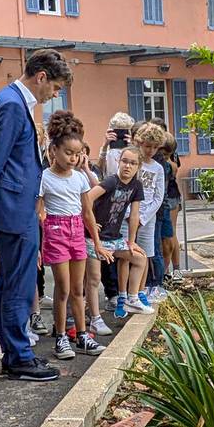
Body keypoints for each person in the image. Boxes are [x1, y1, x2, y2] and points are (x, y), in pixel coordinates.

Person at [0, 49, 72, 382]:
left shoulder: (11, 100)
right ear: (41, 76)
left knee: (15, 283)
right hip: (14, 208)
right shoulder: (13, 105)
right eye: (55, 87)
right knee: (18, 284)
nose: (55, 95)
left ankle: (16, 354)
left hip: (16, 204)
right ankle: (18, 357)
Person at [37, 111, 107, 360]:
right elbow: (38, 213)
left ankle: (82, 335)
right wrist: (37, 246)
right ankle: (60, 337)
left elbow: (88, 213)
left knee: (80, 289)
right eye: (68, 153)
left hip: (77, 231)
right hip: (55, 232)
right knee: (63, 289)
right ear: (54, 149)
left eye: (77, 154)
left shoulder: (79, 179)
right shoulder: (44, 178)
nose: (73, 158)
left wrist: (97, 244)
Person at [108, 121, 166, 318]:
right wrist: (125, 215)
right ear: (139, 142)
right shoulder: (131, 162)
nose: (150, 150)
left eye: (154, 147)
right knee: (125, 256)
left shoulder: (158, 168)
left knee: (145, 255)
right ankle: (123, 295)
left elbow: (158, 197)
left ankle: (139, 293)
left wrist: (143, 217)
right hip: (125, 218)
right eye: (147, 145)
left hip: (146, 219)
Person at [90, 147, 149, 317]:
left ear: (138, 167)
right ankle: (94, 317)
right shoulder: (111, 181)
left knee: (140, 258)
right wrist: (91, 223)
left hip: (114, 239)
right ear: (118, 161)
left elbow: (134, 215)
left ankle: (132, 299)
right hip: (96, 238)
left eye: (133, 163)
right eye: (125, 161)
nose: (127, 166)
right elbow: (87, 198)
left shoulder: (136, 186)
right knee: (93, 279)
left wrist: (131, 241)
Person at [79, 144, 112, 337]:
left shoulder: (86, 174)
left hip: (90, 232)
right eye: (74, 153)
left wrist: (85, 169)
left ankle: (94, 317)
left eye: (82, 153)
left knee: (93, 277)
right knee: (78, 280)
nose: (77, 157)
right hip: (77, 231)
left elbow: (97, 188)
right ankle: (79, 319)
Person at [153, 135, 184, 294]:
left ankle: (171, 270)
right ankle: (163, 274)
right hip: (160, 203)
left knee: (170, 235)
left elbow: (174, 168)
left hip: (169, 199)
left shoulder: (167, 164)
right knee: (160, 241)